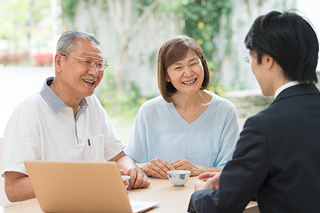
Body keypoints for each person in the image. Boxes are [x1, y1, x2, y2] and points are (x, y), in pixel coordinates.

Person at [188, 10, 320, 212]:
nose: (252, 69)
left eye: (251, 58)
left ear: (267, 60)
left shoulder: (263, 126)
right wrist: (235, 179)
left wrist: (200, 192)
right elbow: (301, 182)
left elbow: (221, 207)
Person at [1, 31, 150, 202]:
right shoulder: (28, 113)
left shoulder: (91, 103)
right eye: (86, 61)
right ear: (59, 62)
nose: (95, 72)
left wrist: (132, 171)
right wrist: (86, 180)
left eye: (100, 64)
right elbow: (14, 189)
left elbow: (118, 157)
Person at [124, 35, 239, 179]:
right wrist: (146, 167)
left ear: (203, 64)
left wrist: (198, 169)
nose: (188, 73)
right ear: (166, 76)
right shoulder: (149, 111)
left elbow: (234, 170)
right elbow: (129, 163)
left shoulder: (225, 111)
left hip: (207, 197)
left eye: (193, 64)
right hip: (159, 199)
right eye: (178, 67)